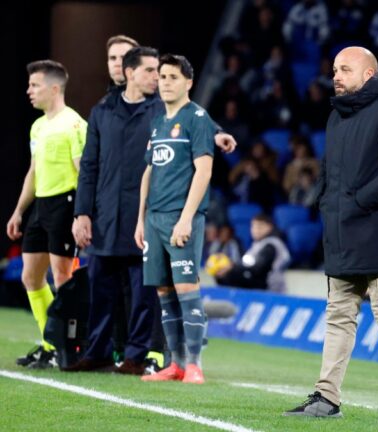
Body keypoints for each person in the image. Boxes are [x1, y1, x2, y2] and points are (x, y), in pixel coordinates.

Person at [68, 43, 237, 374]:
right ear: (131, 73)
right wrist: (83, 211)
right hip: (114, 214)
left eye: (162, 73)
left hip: (159, 214)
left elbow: (196, 121)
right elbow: (90, 165)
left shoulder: (163, 110)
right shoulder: (104, 110)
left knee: (152, 292)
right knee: (109, 288)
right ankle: (102, 352)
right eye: (152, 72)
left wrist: (218, 135)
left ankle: (149, 357)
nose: (158, 79)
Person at [284, 46, 378, 421]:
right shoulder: (338, 115)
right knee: (338, 316)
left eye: (344, 69)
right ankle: (326, 398)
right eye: (334, 69)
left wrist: (359, 200)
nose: (336, 75)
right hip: (344, 231)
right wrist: (326, 205)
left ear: (367, 74)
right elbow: (330, 169)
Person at [135, 54, 216, 384]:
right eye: (162, 77)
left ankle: (194, 364)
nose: (165, 82)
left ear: (188, 82)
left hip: (181, 219)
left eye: (172, 77)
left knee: (186, 288)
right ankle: (176, 365)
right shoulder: (157, 122)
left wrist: (185, 219)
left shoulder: (198, 118)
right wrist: (140, 219)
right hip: (153, 220)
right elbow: (149, 171)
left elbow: (204, 169)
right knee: (164, 292)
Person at [7, 60, 87, 369]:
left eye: (34, 85)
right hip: (41, 206)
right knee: (30, 276)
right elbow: (33, 171)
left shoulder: (75, 124)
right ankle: (50, 342)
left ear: (54, 88)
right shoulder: (37, 126)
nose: (29, 91)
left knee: (64, 277)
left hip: (65, 203)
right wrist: (18, 211)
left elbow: (84, 172)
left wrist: (83, 213)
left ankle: (69, 345)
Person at [215, 215, 290, 291]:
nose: (256, 230)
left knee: (230, 275)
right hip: (257, 285)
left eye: (260, 227)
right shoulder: (256, 245)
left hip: (269, 289)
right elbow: (245, 264)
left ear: (269, 227)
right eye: (253, 226)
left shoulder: (271, 245)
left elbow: (257, 269)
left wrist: (232, 267)